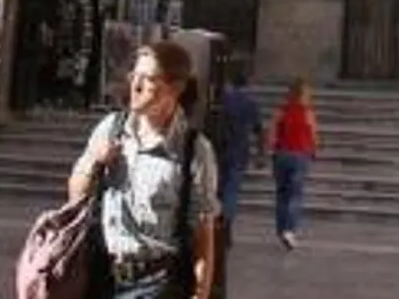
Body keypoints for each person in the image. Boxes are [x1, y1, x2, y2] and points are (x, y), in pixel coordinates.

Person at [69, 41, 219, 299]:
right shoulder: (111, 128)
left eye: (147, 78)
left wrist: (200, 292)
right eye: (133, 76)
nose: (135, 87)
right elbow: (75, 196)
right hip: (102, 275)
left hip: (157, 282)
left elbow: (203, 231)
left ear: (176, 87)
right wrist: (95, 161)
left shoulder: (194, 150)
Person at [270, 78, 320, 249]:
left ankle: (281, 228)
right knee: (295, 194)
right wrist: (314, 150)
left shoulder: (281, 111)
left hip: (282, 154)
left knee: (281, 193)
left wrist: (270, 151)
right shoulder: (307, 112)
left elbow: (272, 133)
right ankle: (290, 229)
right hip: (299, 155)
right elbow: (313, 134)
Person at [216, 69, 264, 226]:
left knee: (220, 184)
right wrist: (260, 153)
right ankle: (226, 219)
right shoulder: (251, 103)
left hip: (222, 147)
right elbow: (259, 129)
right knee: (233, 186)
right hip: (240, 148)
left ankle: (217, 215)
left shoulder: (224, 100)